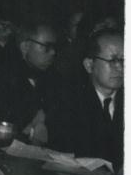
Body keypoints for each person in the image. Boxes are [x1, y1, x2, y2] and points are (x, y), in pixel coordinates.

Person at [47, 29, 123, 167]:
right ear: (89, 65)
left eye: (124, 60)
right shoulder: (67, 102)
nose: (120, 67)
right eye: (112, 60)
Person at [0, 20, 62, 145]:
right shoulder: (0, 76)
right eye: (47, 47)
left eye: (54, 48)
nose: (53, 52)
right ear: (25, 46)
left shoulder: (54, 77)